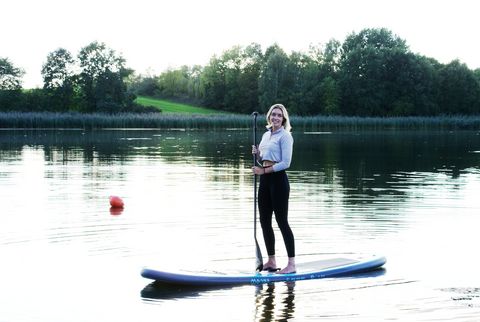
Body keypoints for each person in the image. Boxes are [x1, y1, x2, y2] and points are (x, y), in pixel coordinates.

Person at [252, 103, 296, 274]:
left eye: (279, 115)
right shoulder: (265, 135)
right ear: (269, 116)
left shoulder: (285, 136)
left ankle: (291, 264)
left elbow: (286, 163)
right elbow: (264, 159)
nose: (276, 117)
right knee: (264, 221)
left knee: (282, 222)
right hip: (265, 181)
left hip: (278, 181)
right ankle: (271, 260)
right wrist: (257, 155)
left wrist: (263, 170)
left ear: (283, 119)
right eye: (273, 114)